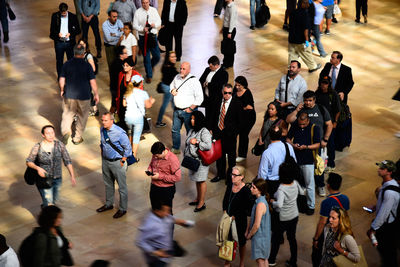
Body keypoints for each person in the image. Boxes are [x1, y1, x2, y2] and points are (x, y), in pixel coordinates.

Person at [287, 90, 333, 196]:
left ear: (314, 100)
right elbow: (289, 120)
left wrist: (325, 139)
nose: (307, 103)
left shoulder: (321, 109)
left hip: (317, 145)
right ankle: (302, 185)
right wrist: (296, 110)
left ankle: (320, 185)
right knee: (301, 167)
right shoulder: (301, 110)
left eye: (310, 100)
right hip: (300, 146)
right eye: (306, 100)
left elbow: (329, 125)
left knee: (318, 166)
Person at [26, 125, 76, 207]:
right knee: (49, 203)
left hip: (58, 178)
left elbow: (67, 160)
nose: (51, 135)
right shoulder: (38, 147)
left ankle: (46, 206)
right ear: (43, 135)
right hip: (44, 179)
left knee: (54, 200)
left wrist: (72, 176)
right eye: (48, 133)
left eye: (52, 133)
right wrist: (38, 168)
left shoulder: (60, 145)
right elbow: (29, 161)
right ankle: (47, 212)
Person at [60, 43, 99, 145]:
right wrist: (96, 94)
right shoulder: (87, 66)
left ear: (74, 53)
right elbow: (92, 82)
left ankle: (66, 132)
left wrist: (61, 90)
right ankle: (77, 138)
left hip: (69, 94)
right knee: (82, 116)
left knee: (67, 114)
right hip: (84, 96)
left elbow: (62, 79)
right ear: (83, 54)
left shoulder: (67, 64)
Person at [268, 163, 305, 267]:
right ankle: (294, 261)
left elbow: (279, 205)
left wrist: (272, 202)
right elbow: (302, 192)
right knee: (292, 238)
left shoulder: (281, 189)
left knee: (276, 238)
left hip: (283, 218)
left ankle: (271, 260)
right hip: (294, 215)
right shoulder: (295, 183)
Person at [136, 201, 194, 267]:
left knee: (181, 252)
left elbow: (170, 219)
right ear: (157, 211)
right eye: (166, 211)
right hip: (157, 258)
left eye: (168, 210)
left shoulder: (163, 215)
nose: (168, 213)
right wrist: (156, 252)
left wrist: (183, 222)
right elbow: (140, 241)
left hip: (168, 245)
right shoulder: (149, 225)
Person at [97, 112, 132, 219]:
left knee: (122, 187)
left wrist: (123, 160)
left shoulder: (119, 133)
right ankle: (109, 204)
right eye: (102, 120)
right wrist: (103, 156)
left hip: (118, 162)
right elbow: (102, 143)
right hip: (106, 161)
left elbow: (128, 149)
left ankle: (122, 209)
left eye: (105, 120)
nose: (103, 122)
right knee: (108, 184)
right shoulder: (102, 130)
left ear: (112, 121)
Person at [312, 172, 349, 266]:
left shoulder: (326, 202)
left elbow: (322, 222)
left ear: (328, 186)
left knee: (317, 255)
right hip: (341, 231)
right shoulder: (346, 199)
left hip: (329, 233)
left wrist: (316, 238)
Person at [286, 112, 320, 214]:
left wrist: (306, 147)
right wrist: (293, 145)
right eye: (300, 124)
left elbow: (317, 144)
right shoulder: (295, 125)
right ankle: (298, 204)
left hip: (308, 160)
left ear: (308, 121)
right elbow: (288, 139)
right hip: (296, 159)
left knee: (310, 184)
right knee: (296, 184)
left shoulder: (315, 128)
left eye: (304, 124)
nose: (301, 126)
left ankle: (311, 206)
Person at [367, 160, 399, 267]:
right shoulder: (387, 185)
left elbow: (384, 214)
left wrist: (373, 228)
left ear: (389, 172)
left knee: (388, 254)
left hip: (387, 228)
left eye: (382, 168)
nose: (378, 169)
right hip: (386, 225)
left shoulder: (390, 192)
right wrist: (376, 206)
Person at [209, 84, 242, 184]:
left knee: (231, 159)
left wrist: (234, 133)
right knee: (219, 156)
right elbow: (213, 115)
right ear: (222, 92)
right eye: (225, 93)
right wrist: (211, 129)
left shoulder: (237, 104)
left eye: (229, 93)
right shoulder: (217, 100)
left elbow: (240, 121)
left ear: (232, 93)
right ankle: (220, 174)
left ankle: (230, 178)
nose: (227, 95)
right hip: (218, 133)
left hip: (230, 136)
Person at [222, 166, 253, 267]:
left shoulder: (246, 191)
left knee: (241, 242)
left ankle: (242, 262)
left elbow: (247, 208)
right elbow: (225, 199)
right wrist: (224, 210)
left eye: (235, 175)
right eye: (232, 174)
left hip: (239, 220)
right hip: (228, 218)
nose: (232, 177)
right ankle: (227, 262)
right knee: (227, 240)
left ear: (242, 177)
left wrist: (235, 216)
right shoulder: (230, 185)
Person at [170, 62, 203, 154]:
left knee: (190, 132)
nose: (181, 70)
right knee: (175, 130)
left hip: (188, 111)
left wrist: (191, 109)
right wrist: (172, 90)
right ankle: (176, 148)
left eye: (184, 69)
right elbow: (172, 85)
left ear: (189, 70)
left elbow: (200, 98)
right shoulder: (177, 77)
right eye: (180, 68)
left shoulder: (194, 81)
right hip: (177, 110)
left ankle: (190, 150)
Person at [184, 111, 212, 212]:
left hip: (201, 162)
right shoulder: (192, 130)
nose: (192, 121)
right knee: (197, 180)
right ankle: (198, 198)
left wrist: (197, 142)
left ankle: (202, 202)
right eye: (191, 119)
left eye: (194, 119)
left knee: (201, 181)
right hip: (193, 160)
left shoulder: (204, 131)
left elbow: (208, 145)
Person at [258, 126, 296, 197]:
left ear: (269, 135)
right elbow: (294, 163)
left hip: (273, 185)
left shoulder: (267, 153)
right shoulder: (288, 146)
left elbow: (262, 174)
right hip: (288, 182)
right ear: (281, 134)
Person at [123, 75, 155, 156]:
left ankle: (127, 152)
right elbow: (148, 106)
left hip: (128, 117)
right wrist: (151, 101)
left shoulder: (128, 92)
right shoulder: (143, 93)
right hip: (138, 118)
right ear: (140, 83)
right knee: (136, 137)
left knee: (129, 134)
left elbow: (124, 104)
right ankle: (133, 156)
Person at [315, 76, 341, 172]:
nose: (323, 85)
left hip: (330, 124)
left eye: (326, 83)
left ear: (329, 84)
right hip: (320, 123)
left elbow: (338, 110)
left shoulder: (333, 94)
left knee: (330, 143)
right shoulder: (317, 93)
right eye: (322, 83)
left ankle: (331, 163)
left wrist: (335, 122)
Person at [288, 0, 321, 73]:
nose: (308, 5)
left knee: (292, 55)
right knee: (307, 54)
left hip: (292, 38)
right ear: (301, 4)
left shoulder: (293, 13)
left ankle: (291, 69)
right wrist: (307, 40)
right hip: (301, 40)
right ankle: (313, 67)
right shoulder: (305, 14)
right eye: (305, 3)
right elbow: (306, 29)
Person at [133, 0, 162, 83]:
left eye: (146, 2)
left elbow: (159, 22)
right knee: (146, 57)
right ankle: (149, 75)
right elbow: (135, 25)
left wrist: (154, 25)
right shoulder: (138, 12)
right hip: (143, 37)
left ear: (149, 2)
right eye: (143, 3)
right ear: (141, 3)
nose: (145, 4)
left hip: (152, 36)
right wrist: (142, 29)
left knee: (157, 56)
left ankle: (151, 65)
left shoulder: (154, 10)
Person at [147, 142, 181, 211]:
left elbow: (177, 177)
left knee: (166, 213)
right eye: (154, 156)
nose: (155, 157)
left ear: (163, 152)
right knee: (155, 210)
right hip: (154, 186)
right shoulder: (155, 154)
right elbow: (151, 164)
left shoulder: (173, 159)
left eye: (157, 156)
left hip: (166, 190)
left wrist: (160, 176)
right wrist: (150, 170)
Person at [50, 3, 81, 78]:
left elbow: (78, 30)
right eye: (62, 13)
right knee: (59, 61)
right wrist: (58, 34)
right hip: (59, 43)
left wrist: (70, 34)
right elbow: (52, 31)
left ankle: (71, 77)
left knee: (71, 61)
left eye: (65, 12)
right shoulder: (55, 16)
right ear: (60, 11)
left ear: (67, 10)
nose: (64, 14)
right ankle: (60, 77)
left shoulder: (73, 17)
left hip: (69, 43)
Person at [246, 178, 271, 267]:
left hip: (260, 238)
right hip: (264, 236)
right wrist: (247, 229)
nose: (251, 189)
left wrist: (249, 235)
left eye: (253, 187)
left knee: (260, 261)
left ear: (260, 190)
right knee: (264, 260)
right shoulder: (260, 201)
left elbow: (256, 225)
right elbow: (253, 218)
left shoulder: (260, 204)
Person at [115, 56, 142, 131]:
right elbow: (118, 89)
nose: (124, 67)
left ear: (132, 67)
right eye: (124, 65)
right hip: (122, 103)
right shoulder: (121, 74)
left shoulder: (136, 76)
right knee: (123, 121)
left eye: (127, 66)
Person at [234, 76, 256, 162]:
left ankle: (242, 155)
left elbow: (250, 107)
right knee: (233, 134)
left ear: (243, 85)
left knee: (243, 135)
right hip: (238, 117)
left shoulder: (247, 93)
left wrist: (240, 108)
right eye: (236, 85)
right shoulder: (235, 91)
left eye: (239, 85)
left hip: (248, 118)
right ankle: (231, 152)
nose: (237, 87)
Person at [156, 51, 179, 128]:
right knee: (165, 104)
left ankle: (177, 117)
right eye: (172, 57)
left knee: (173, 102)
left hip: (166, 86)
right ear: (168, 58)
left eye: (174, 56)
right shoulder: (170, 68)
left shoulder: (165, 65)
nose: (174, 58)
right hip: (168, 88)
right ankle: (159, 121)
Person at [79, 38, 99, 117]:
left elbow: (93, 68)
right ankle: (94, 109)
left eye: (83, 44)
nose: (82, 46)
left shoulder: (88, 55)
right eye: (80, 44)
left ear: (86, 45)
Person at [221, 0, 237, 69]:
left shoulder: (232, 7)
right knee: (226, 46)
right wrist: (223, 28)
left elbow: (232, 21)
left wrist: (230, 32)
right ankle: (226, 62)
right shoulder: (228, 5)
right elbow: (226, 19)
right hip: (226, 28)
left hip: (229, 30)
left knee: (229, 48)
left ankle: (228, 63)